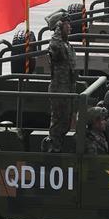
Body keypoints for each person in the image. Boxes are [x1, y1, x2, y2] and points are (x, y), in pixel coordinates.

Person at [44, 12, 77, 153]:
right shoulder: (56, 43)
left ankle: (59, 147)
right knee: (58, 123)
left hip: (67, 89)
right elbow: (55, 46)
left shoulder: (66, 44)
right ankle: (53, 149)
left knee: (66, 122)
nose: (70, 27)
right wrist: (57, 28)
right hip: (59, 90)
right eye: (66, 24)